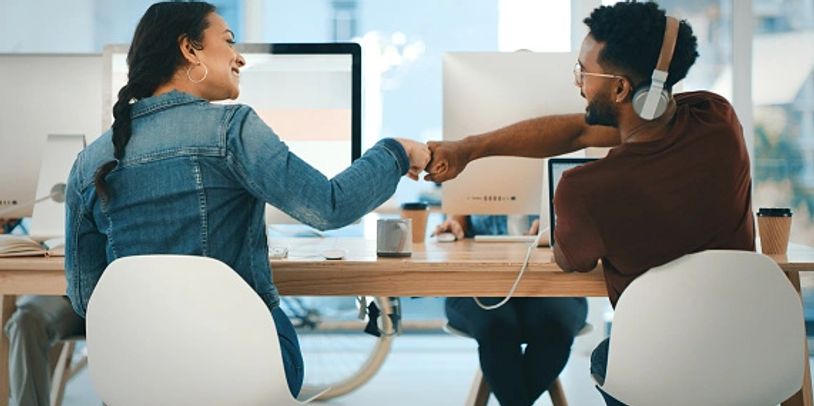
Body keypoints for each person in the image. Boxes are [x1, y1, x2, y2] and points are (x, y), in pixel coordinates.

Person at [63, 1, 430, 398]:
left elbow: (87, 299)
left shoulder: (89, 162)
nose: (239, 57)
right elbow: (329, 206)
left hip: (137, 377)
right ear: (189, 49)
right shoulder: (231, 128)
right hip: (242, 372)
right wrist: (395, 152)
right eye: (228, 40)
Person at [425, 2, 752, 404]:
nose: (577, 83)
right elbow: (581, 132)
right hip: (748, 352)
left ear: (619, 89)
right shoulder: (717, 119)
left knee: (605, 356)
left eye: (583, 72)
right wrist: (471, 148)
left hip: (658, 364)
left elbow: (567, 259)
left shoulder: (585, 190)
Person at [437, 215, 587, 406]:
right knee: (496, 325)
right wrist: (455, 223)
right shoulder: (463, 183)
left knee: (555, 325)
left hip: (547, 279)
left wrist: (555, 225)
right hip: (479, 280)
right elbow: (459, 213)